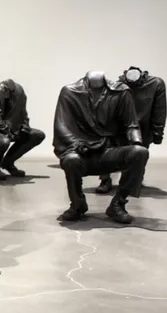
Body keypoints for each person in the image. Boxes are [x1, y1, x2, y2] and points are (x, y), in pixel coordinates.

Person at [53, 71, 148, 223]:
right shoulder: (70, 92)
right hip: (81, 152)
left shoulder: (121, 92)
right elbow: (62, 126)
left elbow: (132, 125)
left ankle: (118, 204)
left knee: (140, 152)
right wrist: (77, 145)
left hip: (108, 151)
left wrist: (136, 143)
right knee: (71, 160)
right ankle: (77, 205)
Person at [96, 66, 167, 193]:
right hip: (121, 125)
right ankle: (106, 180)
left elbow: (159, 109)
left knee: (138, 154)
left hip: (143, 127)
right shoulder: (119, 85)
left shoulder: (156, 84)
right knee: (108, 152)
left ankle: (133, 180)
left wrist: (158, 131)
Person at [0, 79, 46, 180]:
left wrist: (25, 127)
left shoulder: (19, 92)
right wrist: (8, 132)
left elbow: (23, 113)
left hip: (12, 129)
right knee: (3, 141)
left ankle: (8, 162)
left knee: (38, 135)